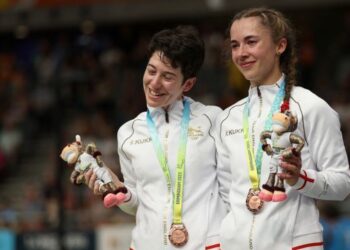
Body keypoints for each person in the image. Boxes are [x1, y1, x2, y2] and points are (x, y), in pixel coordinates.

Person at [215, 7, 350, 250]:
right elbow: (226, 195)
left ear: (280, 46)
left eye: (251, 42)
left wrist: (301, 178)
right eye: (235, 45)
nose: (241, 53)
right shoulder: (227, 119)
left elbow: (342, 185)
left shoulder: (310, 107)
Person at [85, 25, 227, 250]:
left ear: (187, 84)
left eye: (167, 76)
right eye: (151, 71)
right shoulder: (128, 132)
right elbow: (137, 204)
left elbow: (230, 189)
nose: (154, 83)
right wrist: (120, 191)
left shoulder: (213, 120)